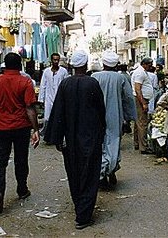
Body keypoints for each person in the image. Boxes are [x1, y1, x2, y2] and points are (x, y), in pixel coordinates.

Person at [45, 50, 106, 230]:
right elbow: (100, 112)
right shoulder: (92, 84)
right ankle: (83, 214)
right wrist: (102, 133)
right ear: (85, 65)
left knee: (74, 173)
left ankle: (80, 207)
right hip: (90, 138)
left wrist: (56, 137)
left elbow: (58, 112)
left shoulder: (65, 84)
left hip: (70, 139)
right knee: (90, 173)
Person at [0, 52, 40, 214]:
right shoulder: (25, 82)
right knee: (21, 160)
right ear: (20, 66)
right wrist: (35, 129)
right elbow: (30, 108)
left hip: (1, 127)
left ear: (5, 66)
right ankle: (22, 189)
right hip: (21, 127)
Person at [92, 51, 136, 187]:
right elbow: (128, 98)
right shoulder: (120, 78)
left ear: (103, 63)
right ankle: (110, 170)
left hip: (96, 117)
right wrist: (130, 117)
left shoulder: (95, 76)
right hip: (115, 115)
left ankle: (102, 173)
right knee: (113, 142)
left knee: (100, 144)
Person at [38, 53, 69, 137]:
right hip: (48, 98)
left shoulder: (63, 71)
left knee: (58, 117)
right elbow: (43, 85)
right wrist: (41, 99)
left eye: (57, 60)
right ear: (51, 60)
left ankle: (56, 136)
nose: (56, 61)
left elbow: (66, 85)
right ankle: (47, 135)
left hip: (59, 98)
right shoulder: (46, 72)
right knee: (47, 117)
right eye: (54, 59)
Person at [131, 57, 154, 154]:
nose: (150, 66)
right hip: (140, 99)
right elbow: (137, 89)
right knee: (143, 123)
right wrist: (143, 103)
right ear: (144, 64)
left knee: (138, 122)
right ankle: (143, 147)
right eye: (149, 64)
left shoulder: (141, 72)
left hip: (140, 98)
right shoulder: (140, 73)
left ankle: (137, 143)